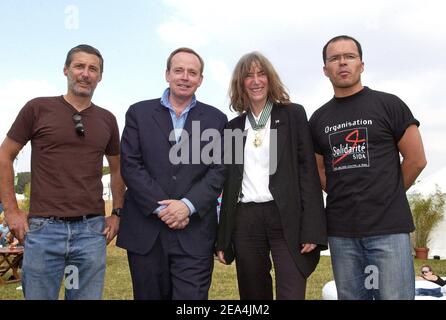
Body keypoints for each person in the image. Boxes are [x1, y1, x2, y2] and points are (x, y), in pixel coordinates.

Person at [0, 44, 125, 300]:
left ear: (100, 77)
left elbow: (117, 169)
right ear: (66, 70)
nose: (86, 74)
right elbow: (5, 155)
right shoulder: (38, 108)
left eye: (93, 69)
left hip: (91, 231)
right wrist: (11, 210)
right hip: (44, 230)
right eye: (79, 66)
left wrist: (117, 214)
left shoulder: (107, 119)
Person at [309, 35, 427, 300]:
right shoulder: (318, 118)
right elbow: (319, 171)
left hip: (389, 228)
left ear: (361, 64)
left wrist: (389, 192)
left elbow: (416, 159)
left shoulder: (389, 105)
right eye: (334, 58)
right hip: (341, 231)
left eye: (349, 56)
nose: (342, 63)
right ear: (325, 69)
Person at [116, 47, 227, 300]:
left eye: (192, 72)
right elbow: (131, 166)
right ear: (167, 74)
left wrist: (187, 206)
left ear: (201, 79)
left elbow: (219, 170)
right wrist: (165, 209)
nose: (185, 77)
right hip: (147, 233)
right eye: (178, 70)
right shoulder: (138, 113)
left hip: (194, 234)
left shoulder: (217, 119)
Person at [216, 52, 327, 300]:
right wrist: (223, 238)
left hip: (285, 216)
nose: (256, 80)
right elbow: (230, 184)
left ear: (270, 78)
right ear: (240, 83)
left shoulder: (292, 115)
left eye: (261, 73)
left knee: (291, 291)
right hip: (246, 219)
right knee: (253, 294)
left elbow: (308, 173)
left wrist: (312, 229)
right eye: (248, 75)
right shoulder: (233, 127)